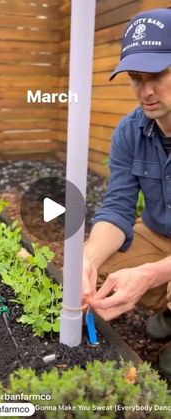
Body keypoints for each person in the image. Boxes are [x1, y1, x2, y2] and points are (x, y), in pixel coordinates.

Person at [82, 8, 171, 380]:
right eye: (136, 78)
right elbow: (118, 205)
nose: (145, 91)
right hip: (160, 232)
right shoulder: (130, 131)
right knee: (98, 268)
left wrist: (152, 274)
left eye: (157, 76)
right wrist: (86, 259)